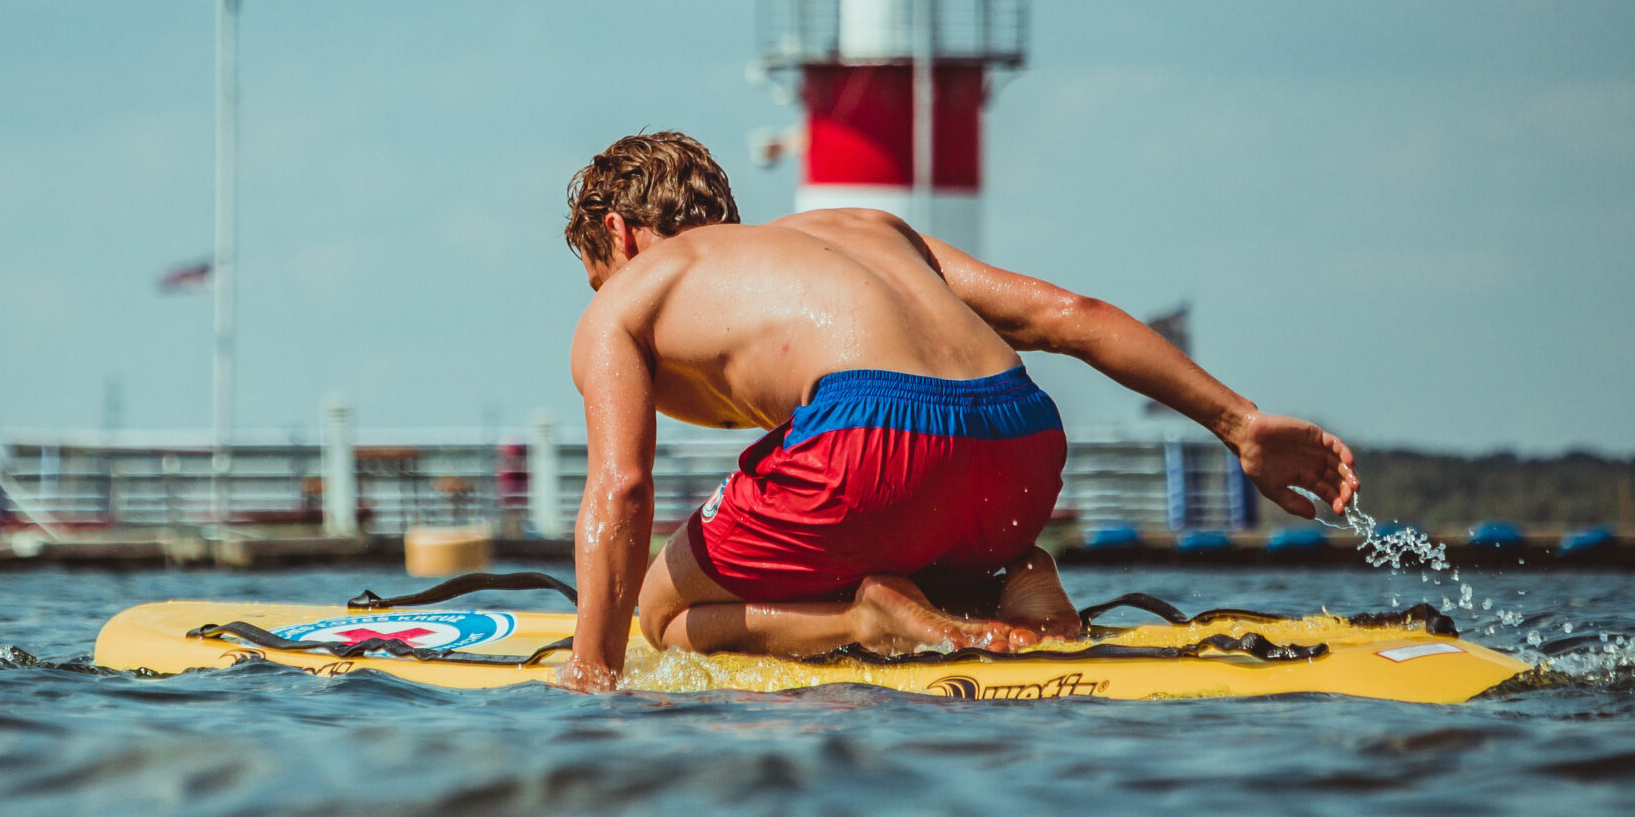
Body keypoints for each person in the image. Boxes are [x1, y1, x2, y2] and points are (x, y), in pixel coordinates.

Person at [551, 131, 1358, 693]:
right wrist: (1239, 424)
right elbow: (1070, 314)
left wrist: (592, 668)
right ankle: (1020, 580)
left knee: (660, 613)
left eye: (597, 274)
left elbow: (621, 488)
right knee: (910, 528)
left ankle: (865, 619)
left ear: (617, 238)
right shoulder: (869, 227)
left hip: (869, 446)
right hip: (1021, 446)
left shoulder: (628, 297)